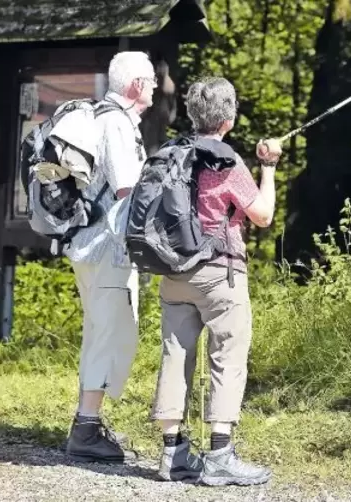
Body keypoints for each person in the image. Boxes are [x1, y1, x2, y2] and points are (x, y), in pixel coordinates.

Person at [149, 76, 282, 485]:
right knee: (227, 354)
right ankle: (221, 454)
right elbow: (262, 215)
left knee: (175, 355)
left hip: (172, 270)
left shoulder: (170, 153)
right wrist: (269, 167)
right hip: (219, 272)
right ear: (228, 118)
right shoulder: (226, 160)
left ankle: (173, 454)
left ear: (193, 114)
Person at [63, 51, 157, 462]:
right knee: (109, 334)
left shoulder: (102, 117)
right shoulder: (117, 124)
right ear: (137, 84)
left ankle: (88, 421)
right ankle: (86, 429)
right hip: (107, 248)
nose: (154, 86)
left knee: (101, 330)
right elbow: (127, 193)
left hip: (87, 244)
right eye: (151, 80)